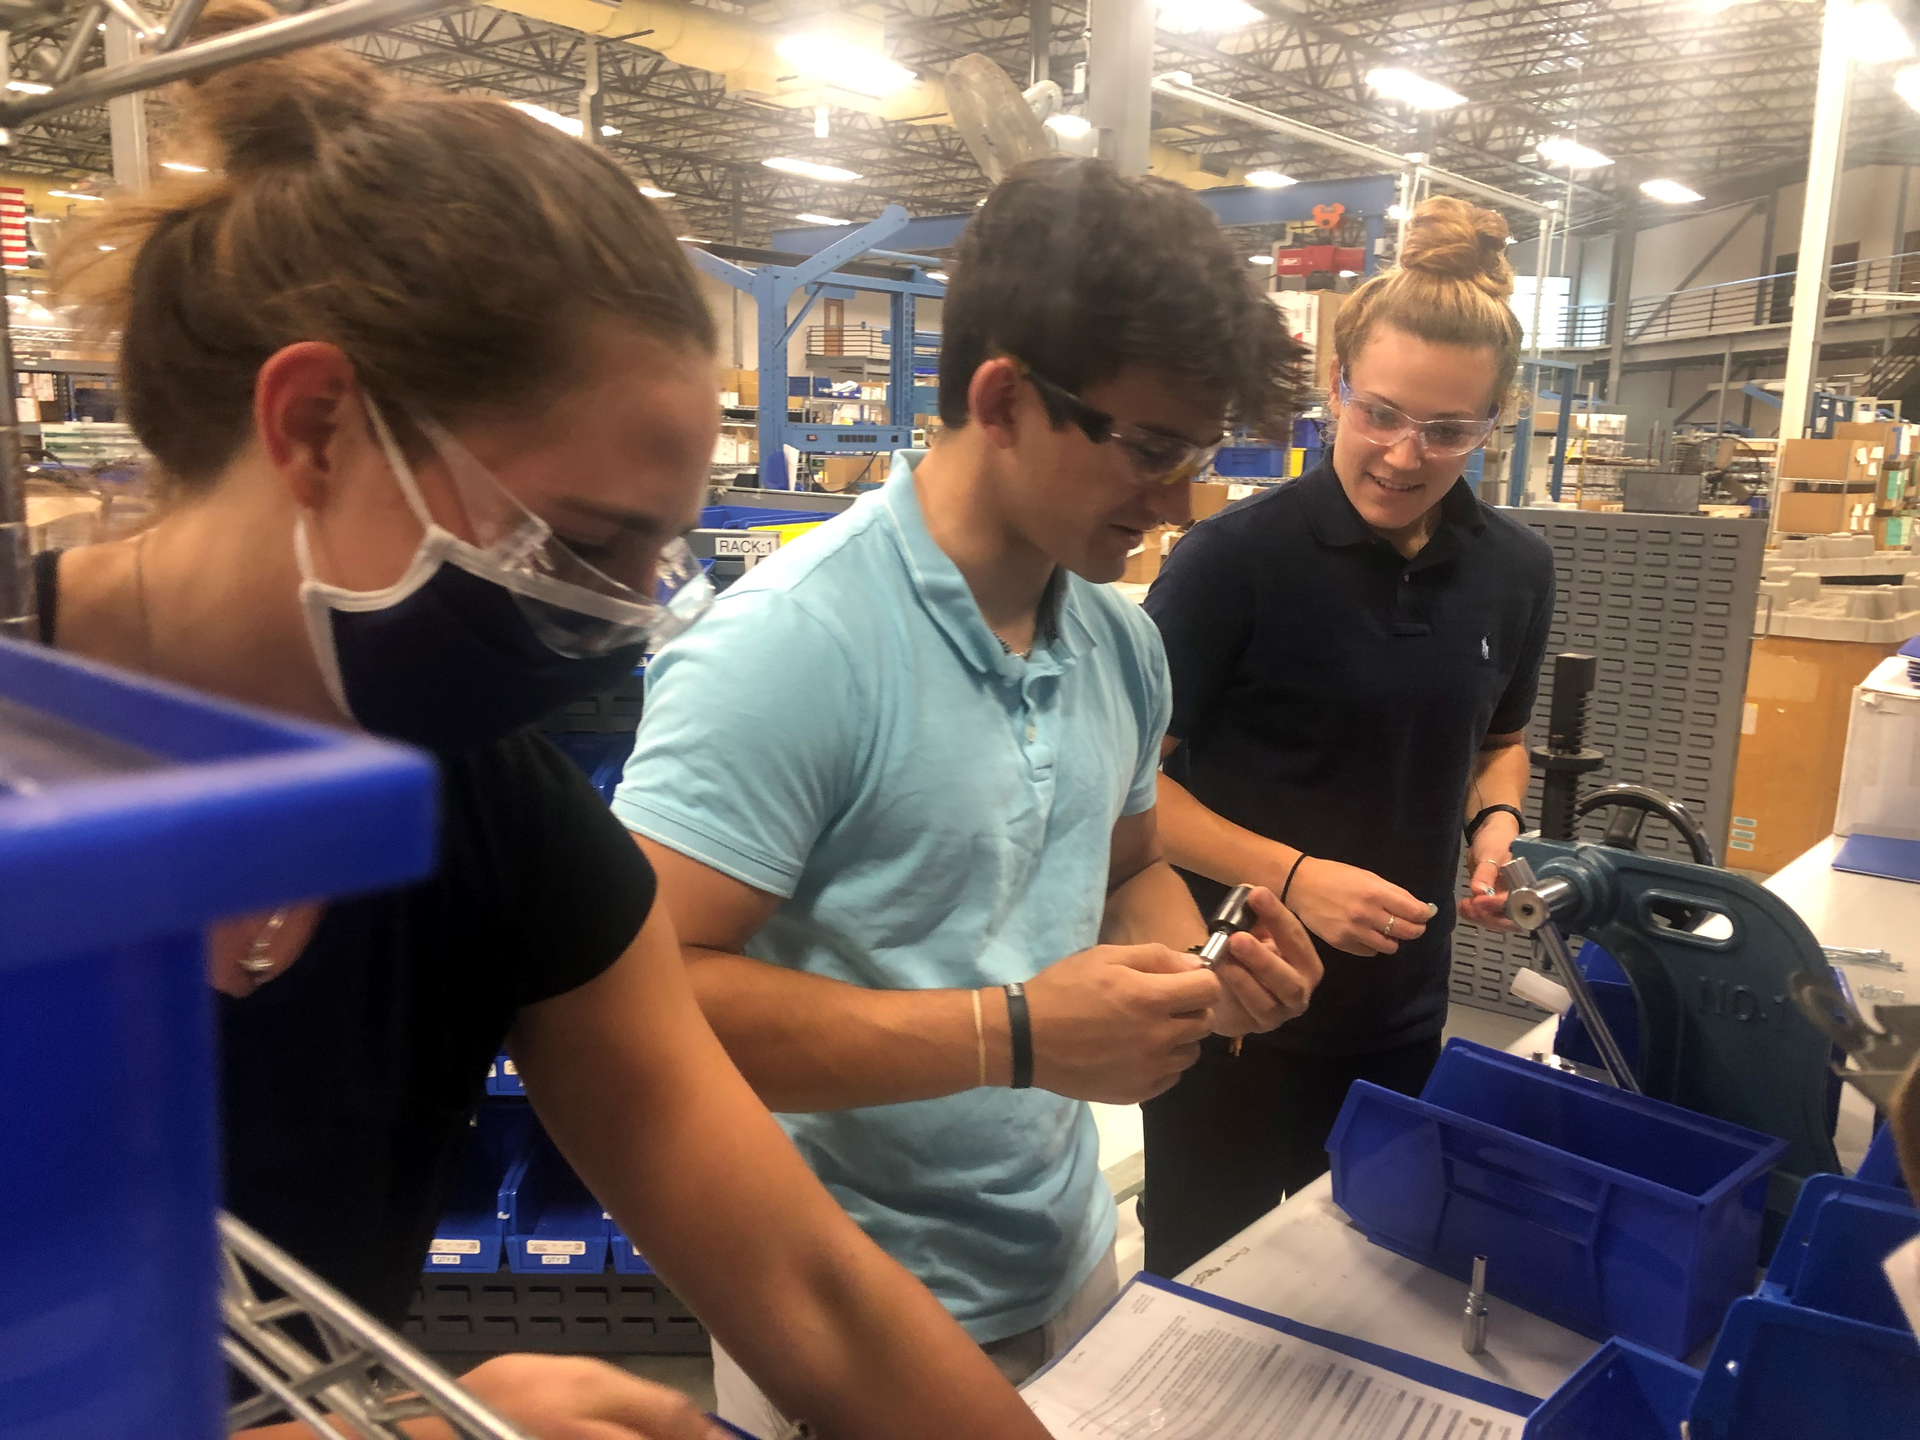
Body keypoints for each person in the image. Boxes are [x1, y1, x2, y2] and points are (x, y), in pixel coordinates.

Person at [38, 7, 1058, 1438]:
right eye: (581, 544)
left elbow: (810, 1290)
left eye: (657, 558)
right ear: (319, 425)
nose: (628, 614)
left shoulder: (492, 820)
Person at [615, 157, 1324, 1437]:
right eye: (1151, 449)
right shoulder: (789, 650)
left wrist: (1198, 973)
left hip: (1070, 1262)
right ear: (1004, 398)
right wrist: (1016, 1035)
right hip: (843, 1318)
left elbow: (1121, 872)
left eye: (1199, 453)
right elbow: (645, 1013)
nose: (1177, 505)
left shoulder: (1119, 642)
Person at [1138, 195, 1557, 1280]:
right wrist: (1293, 876)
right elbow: (1128, 792)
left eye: (1448, 430)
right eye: (1378, 413)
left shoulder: (1514, 569)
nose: (1404, 455)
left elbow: (1498, 736)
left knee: (1374, 1287)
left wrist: (1499, 820)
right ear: (1335, 391)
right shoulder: (1233, 564)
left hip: (1399, 1022)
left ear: (1491, 423)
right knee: (1212, 1297)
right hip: (1228, 1016)